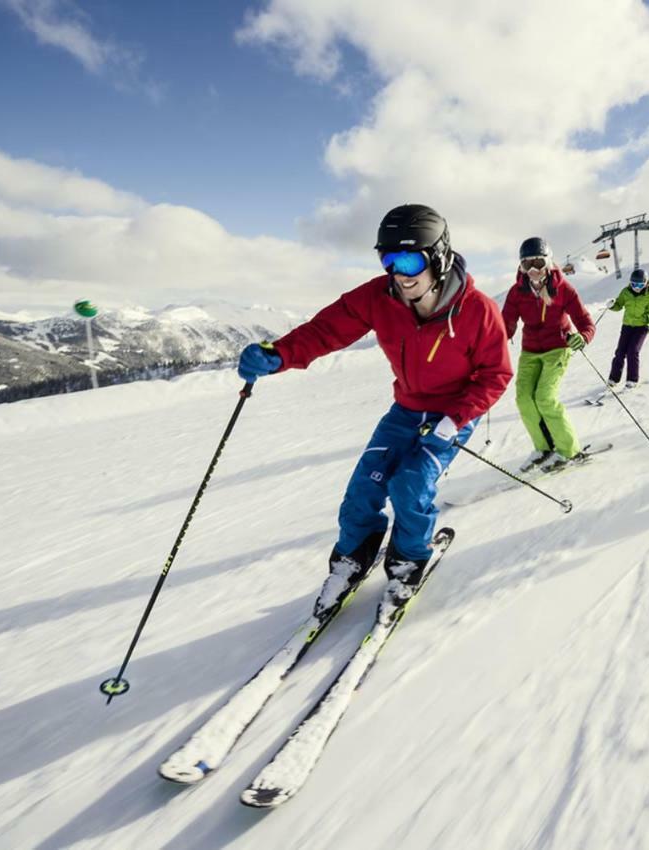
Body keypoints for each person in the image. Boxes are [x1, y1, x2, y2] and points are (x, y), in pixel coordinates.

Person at [236, 204, 512, 608]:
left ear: (438, 255)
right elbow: (326, 330)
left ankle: (408, 560)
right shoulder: (379, 296)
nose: (399, 272)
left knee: (411, 484)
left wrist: (456, 419)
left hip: (452, 414)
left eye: (409, 259)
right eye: (388, 259)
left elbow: (496, 374)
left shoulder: (477, 310)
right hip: (405, 411)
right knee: (365, 485)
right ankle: (353, 556)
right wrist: (278, 354)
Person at [501, 236, 596, 472]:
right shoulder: (517, 292)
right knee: (524, 400)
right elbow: (507, 324)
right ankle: (544, 447)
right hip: (530, 351)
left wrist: (582, 337)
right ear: (521, 266)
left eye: (539, 263)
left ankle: (568, 450)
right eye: (527, 264)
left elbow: (585, 322)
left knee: (545, 398)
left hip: (557, 348)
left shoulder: (563, 289)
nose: (533, 270)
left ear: (549, 262)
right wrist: (494, 341)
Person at [606, 268, 649, 388]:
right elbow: (619, 305)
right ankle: (613, 379)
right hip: (627, 326)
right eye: (634, 284)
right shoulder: (626, 292)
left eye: (640, 284)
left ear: (646, 283)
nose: (636, 287)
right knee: (620, 352)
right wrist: (612, 305)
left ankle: (632, 380)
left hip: (641, 328)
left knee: (633, 351)